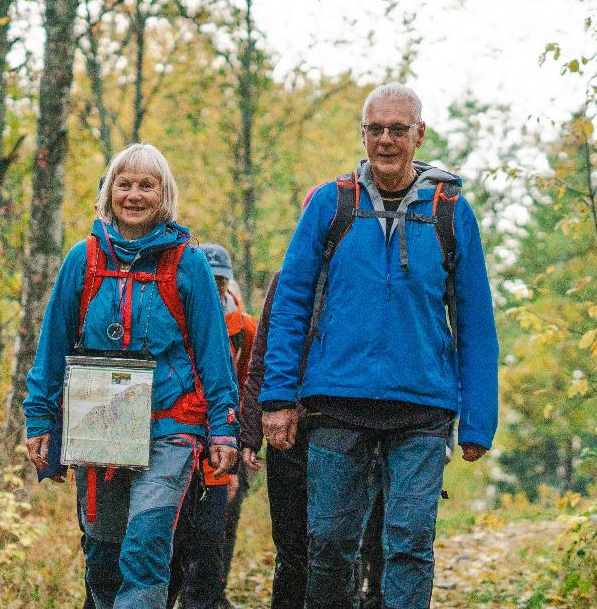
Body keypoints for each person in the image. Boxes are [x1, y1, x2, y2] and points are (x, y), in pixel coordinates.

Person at [260, 84, 501, 609]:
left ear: (420, 134)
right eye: (376, 129)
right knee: (328, 546)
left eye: (398, 129)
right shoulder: (331, 203)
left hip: (422, 408)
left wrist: (478, 419)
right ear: (362, 133)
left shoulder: (450, 210)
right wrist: (278, 398)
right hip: (336, 403)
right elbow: (291, 303)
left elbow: (475, 319)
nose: (386, 140)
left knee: (410, 546)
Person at [22, 143, 240, 609]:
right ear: (109, 192)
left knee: (145, 548)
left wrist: (223, 429)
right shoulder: (83, 260)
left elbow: (214, 356)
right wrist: (40, 421)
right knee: (102, 559)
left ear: (164, 195)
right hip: (98, 427)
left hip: (170, 428)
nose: (135, 195)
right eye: (125, 184)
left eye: (147, 185)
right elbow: (52, 347)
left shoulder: (189, 264)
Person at [254, 272, 386, 609]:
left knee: (339, 545)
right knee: (291, 549)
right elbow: (262, 361)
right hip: (288, 432)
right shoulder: (286, 280)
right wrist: (248, 433)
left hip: (350, 429)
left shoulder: (368, 277)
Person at [167, 244, 261, 609]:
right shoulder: (171, 316)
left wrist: (239, 447)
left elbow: (250, 385)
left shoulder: (244, 329)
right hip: (179, 439)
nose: (213, 287)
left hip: (225, 443)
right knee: (174, 537)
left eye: (219, 281)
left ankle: (209, 597)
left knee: (215, 534)